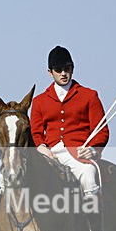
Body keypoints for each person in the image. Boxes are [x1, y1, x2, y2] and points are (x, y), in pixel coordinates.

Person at [31, 45, 107, 196]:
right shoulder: (39, 101)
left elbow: (101, 130)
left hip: (78, 153)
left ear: (73, 68)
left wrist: (92, 149)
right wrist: (40, 146)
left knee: (88, 176)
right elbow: (36, 131)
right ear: (50, 72)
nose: (64, 73)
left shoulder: (89, 96)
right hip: (50, 155)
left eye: (67, 68)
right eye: (58, 70)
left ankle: (93, 218)